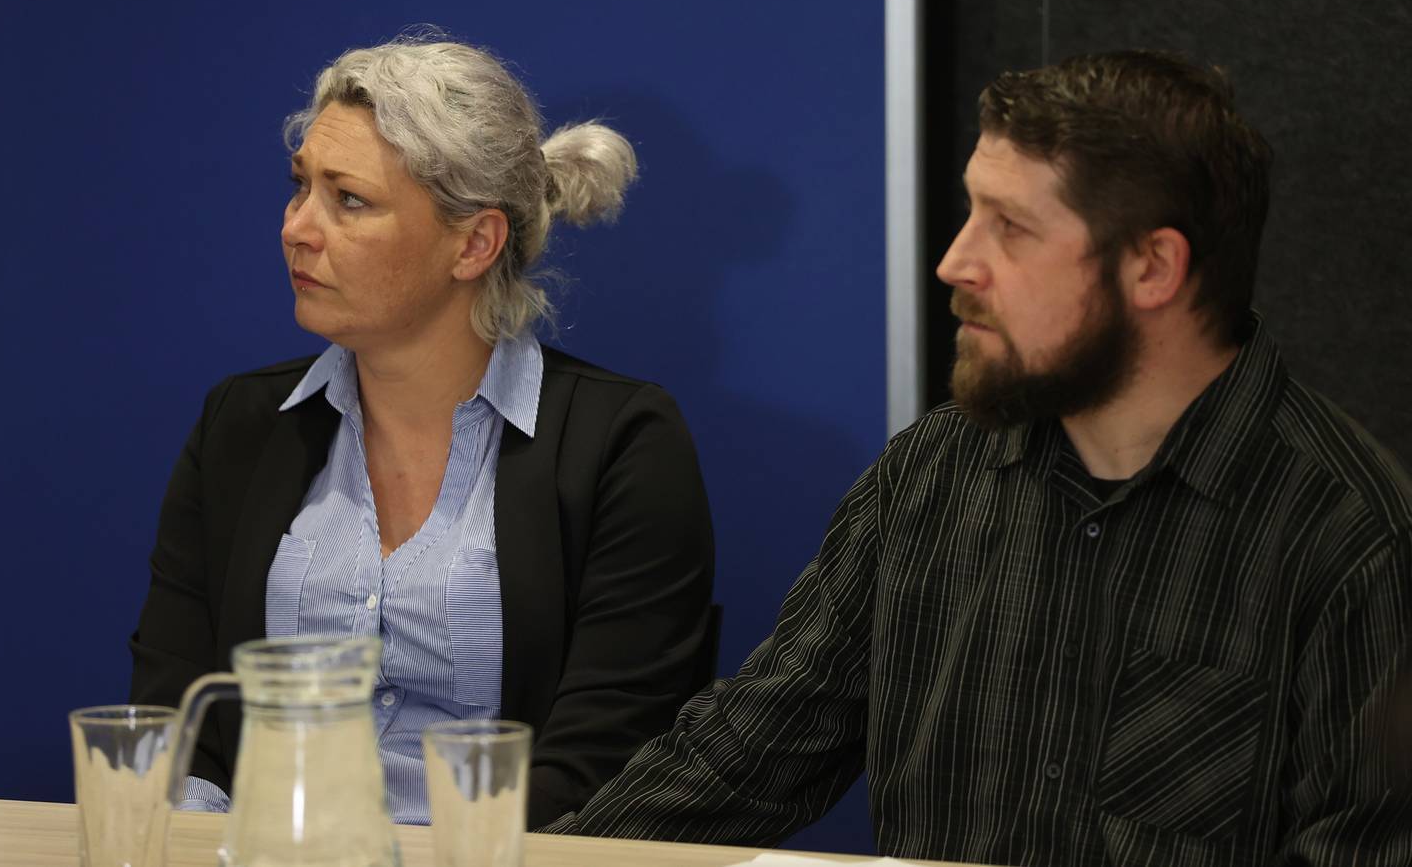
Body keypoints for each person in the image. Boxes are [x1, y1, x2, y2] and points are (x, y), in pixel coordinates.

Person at [541, 51, 1412, 864]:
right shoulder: (933, 472)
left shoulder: (1351, 541)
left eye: (1012, 228)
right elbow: (749, 753)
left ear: (1153, 267)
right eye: (970, 211)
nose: (956, 261)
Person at [127, 33, 715, 828]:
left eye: (350, 200)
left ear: (473, 243)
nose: (297, 227)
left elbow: (605, 761)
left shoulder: (622, 443)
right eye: (300, 188)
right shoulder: (242, 423)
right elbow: (177, 703)